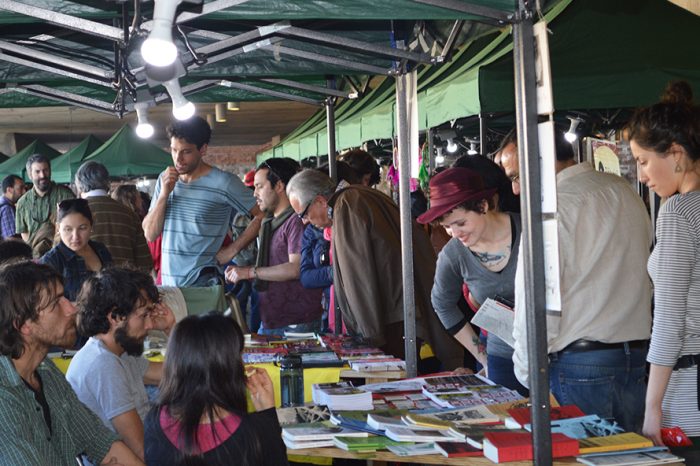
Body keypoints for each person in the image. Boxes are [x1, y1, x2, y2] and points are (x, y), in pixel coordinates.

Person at [511, 130, 652, 433]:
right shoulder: (623, 191)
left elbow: (537, 302)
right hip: (635, 356)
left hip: (580, 364)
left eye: (517, 176)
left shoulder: (551, 209)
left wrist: (527, 372)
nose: (515, 189)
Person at [286, 169, 463, 368]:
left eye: (303, 214)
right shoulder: (360, 195)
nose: (304, 221)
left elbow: (357, 276)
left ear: (320, 201)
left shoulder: (346, 205)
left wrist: (368, 338)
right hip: (405, 308)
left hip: (393, 319)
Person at [0, 261, 143, 465]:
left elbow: (98, 441)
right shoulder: (4, 398)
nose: (71, 309)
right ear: (23, 325)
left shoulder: (46, 371)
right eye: (55, 303)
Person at [627, 81, 700, 444]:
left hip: (689, 396)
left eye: (642, 161)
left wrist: (652, 407)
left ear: (674, 153)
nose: (641, 175)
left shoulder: (679, 213)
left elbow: (670, 320)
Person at [417, 167, 527, 395]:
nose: (454, 233)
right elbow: (442, 303)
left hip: (554, 355)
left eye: (461, 223)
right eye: (447, 227)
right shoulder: (453, 254)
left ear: (483, 206)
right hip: (501, 359)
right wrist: (482, 355)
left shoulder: (531, 231)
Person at [144, 312, 287, 466]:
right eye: (239, 357)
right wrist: (268, 415)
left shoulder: (154, 421)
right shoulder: (254, 432)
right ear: (228, 367)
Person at [66, 267, 174, 460]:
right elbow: (140, 450)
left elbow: (175, 373)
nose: (150, 325)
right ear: (115, 317)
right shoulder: (103, 364)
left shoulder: (120, 351)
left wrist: (170, 329)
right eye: (143, 315)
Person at [143, 116, 263, 287]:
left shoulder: (223, 182)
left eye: (186, 151)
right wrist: (164, 194)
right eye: (174, 150)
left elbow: (263, 214)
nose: (178, 159)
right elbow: (150, 234)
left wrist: (232, 250)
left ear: (203, 149)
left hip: (203, 282)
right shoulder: (165, 180)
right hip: (169, 285)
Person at [225, 158, 323, 335]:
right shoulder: (269, 221)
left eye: (260, 186)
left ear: (279, 186)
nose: (255, 193)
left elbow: (296, 268)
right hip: (273, 319)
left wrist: (249, 272)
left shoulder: (295, 221)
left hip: (297, 323)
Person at [74, 161, 152, 272]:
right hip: (124, 284)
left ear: (79, 184)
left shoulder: (73, 214)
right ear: (107, 182)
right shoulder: (129, 214)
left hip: (86, 286)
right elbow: (145, 263)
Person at [39, 198, 113, 301]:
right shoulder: (51, 261)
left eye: (82, 228)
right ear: (58, 228)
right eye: (68, 229)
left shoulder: (101, 249)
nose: (75, 237)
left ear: (91, 225)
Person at [15, 153, 75, 257]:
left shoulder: (66, 195)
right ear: (30, 175)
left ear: (50, 171)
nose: (42, 175)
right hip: (35, 258)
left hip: (63, 255)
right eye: (37, 172)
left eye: (45, 170)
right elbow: (23, 232)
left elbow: (75, 223)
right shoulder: (22, 202)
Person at [0, 174, 26, 239]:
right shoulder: (7, 208)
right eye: (21, 188)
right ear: (9, 190)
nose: (24, 191)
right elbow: (11, 239)